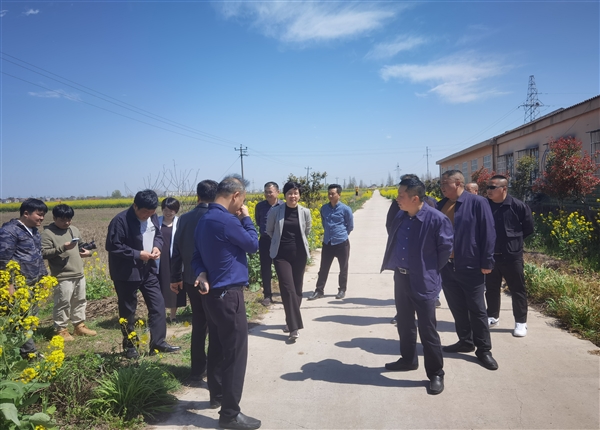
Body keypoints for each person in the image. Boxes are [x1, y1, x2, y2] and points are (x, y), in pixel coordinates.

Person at [191, 175, 261, 430]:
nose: (242, 204)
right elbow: (252, 244)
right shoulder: (228, 220)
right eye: (242, 200)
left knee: (218, 348)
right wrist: (247, 218)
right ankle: (230, 414)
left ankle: (217, 396)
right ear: (235, 196)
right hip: (229, 296)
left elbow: (196, 256)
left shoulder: (203, 219)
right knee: (235, 354)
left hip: (211, 297)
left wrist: (200, 272)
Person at [381, 178, 453, 395]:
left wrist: (428, 270)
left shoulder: (436, 219)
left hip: (423, 280)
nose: (397, 200)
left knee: (428, 329)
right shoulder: (401, 216)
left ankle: (436, 374)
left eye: (401, 196)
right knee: (404, 322)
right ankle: (408, 359)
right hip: (401, 278)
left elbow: (445, 251)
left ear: (414, 198)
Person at [106, 189, 180, 359]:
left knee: (158, 305)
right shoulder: (120, 221)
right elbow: (113, 245)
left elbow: (158, 236)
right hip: (126, 273)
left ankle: (158, 343)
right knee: (128, 310)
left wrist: (157, 247)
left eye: (152, 212)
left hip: (148, 270)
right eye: (145, 211)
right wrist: (138, 254)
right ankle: (131, 345)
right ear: (135, 206)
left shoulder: (153, 217)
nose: (148, 215)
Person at [437, 170, 498, 371]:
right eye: (441, 184)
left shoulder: (477, 203)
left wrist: (487, 262)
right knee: (457, 307)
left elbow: (488, 233)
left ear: (458, 183)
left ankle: (483, 350)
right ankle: (465, 341)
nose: (442, 187)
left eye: (445, 183)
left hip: (470, 266)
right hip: (447, 266)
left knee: (477, 309)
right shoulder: (440, 205)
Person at [170, 180, 218, 382]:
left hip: (191, 279)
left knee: (199, 324)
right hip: (215, 281)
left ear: (197, 196)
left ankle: (197, 371)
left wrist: (175, 277)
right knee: (216, 326)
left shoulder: (184, 219)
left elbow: (176, 250)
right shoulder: (219, 217)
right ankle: (217, 371)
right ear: (216, 196)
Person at [485, 175, 534, 337]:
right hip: (491, 256)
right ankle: (492, 316)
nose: (488, 191)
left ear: (504, 189)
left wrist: (514, 244)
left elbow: (528, 228)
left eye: (492, 187)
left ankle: (521, 322)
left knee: (517, 289)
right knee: (491, 288)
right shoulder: (485, 206)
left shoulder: (518, 206)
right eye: (488, 187)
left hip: (511, 256)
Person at [0, 198, 48, 357]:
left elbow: (38, 256)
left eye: (43, 215)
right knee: (22, 319)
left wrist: (44, 279)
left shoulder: (33, 230)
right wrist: (9, 285)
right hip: (20, 285)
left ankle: (23, 349)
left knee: (30, 317)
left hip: (34, 281)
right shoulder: (10, 231)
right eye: (38, 215)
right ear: (26, 213)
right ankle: (29, 353)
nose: (41, 218)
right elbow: (3, 261)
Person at [41, 204, 97, 341]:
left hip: (79, 272)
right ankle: (61, 330)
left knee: (80, 300)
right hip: (62, 275)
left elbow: (80, 246)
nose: (66, 223)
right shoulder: (48, 233)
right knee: (62, 303)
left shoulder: (74, 230)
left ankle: (79, 326)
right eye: (63, 220)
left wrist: (87, 253)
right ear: (54, 218)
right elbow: (43, 253)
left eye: (69, 219)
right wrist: (62, 248)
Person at [266, 182, 312, 342]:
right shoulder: (275, 211)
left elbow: (307, 230)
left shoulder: (305, 212)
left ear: (299, 195)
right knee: (288, 288)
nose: (293, 196)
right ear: (284, 195)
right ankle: (294, 328)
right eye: (290, 193)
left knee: (297, 290)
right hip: (281, 256)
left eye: (296, 193)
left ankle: (289, 320)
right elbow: (269, 231)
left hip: (299, 255)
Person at [308, 184, 353, 300]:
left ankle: (342, 289)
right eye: (329, 193)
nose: (330, 196)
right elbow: (324, 223)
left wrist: (341, 234)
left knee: (343, 268)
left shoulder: (345, 209)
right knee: (323, 268)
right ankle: (319, 290)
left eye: (333, 194)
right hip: (328, 243)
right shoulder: (324, 208)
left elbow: (350, 226)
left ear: (339, 194)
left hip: (342, 243)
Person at [254, 182, 283, 306]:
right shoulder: (260, 206)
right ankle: (267, 295)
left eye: (270, 191)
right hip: (265, 241)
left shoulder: (283, 206)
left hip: (280, 241)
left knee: (282, 268)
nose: (268, 194)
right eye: (266, 191)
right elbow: (259, 221)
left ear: (278, 192)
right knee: (265, 269)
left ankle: (285, 294)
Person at [158, 197, 184, 324]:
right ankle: (160, 315)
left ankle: (173, 316)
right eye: (166, 209)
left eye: (171, 210)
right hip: (160, 259)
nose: (168, 212)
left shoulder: (180, 222)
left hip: (175, 259)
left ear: (176, 210)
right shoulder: (155, 221)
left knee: (175, 287)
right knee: (160, 286)